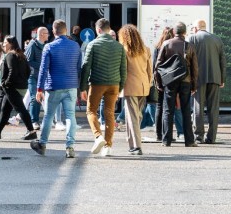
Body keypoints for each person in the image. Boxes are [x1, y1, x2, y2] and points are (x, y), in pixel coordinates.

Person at [31, 20, 82, 158]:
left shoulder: (49, 47)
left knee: (48, 116)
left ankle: (42, 144)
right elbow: (79, 67)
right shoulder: (75, 46)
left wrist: (39, 89)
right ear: (66, 30)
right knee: (70, 116)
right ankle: (70, 147)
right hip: (71, 86)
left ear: (53, 31)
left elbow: (43, 69)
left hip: (53, 86)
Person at [81, 18, 127, 157]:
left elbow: (86, 67)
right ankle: (108, 146)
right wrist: (120, 88)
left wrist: (82, 87)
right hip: (114, 84)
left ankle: (98, 136)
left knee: (91, 111)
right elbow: (123, 70)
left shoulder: (93, 45)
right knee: (110, 114)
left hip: (97, 83)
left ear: (98, 30)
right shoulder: (119, 46)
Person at [155, 22, 199, 147]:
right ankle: (189, 141)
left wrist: (159, 83)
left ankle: (166, 140)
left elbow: (158, 65)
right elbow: (195, 68)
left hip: (170, 81)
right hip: (186, 80)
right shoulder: (189, 46)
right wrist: (194, 85)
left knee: (168, 110)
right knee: (186, 110)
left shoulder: (166, 44)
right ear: (185, 32)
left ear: (174, 32)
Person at [0, 36, 36, 141]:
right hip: (18, 87)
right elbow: (28, 71)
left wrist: (5, 83)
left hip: (12, 88)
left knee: (21, 109)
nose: (3, 44)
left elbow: (12, 71)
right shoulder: (21, 55)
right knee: (5, 109)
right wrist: (22, 81)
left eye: (5, 42)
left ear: (11, 44)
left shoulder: (10, 55)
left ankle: (31, 131)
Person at [188, 19, 226, 144]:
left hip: (198, 78)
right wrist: (222, 78)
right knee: (213, 108)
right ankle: (212, 137)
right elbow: (222, 60)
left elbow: (188, 59)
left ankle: (199, 136)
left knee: (198, 107)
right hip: (215, 77)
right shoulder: (217, 39)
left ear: (196, 28)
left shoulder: (192, 38)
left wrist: (189, 78)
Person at [119, 24, 152, 155]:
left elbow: (123, 71)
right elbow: (150, 70)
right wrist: (148, 83)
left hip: (130, 86)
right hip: (143, 86)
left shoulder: (124, 50)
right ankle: (132, 144)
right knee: (136, 115)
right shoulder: (146, 50)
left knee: (132, 116)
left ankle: (137, 146)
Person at [25, 27, 49, 129]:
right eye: (47, 33)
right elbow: (27, 61)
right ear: (41, 34)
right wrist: (42, 65)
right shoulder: (32, 45)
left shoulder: (46, 46)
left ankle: (36, 120)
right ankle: (33, 121)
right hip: (33, 76)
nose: (48, 35)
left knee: (39, 98)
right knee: (34, 98)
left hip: (41, 76)